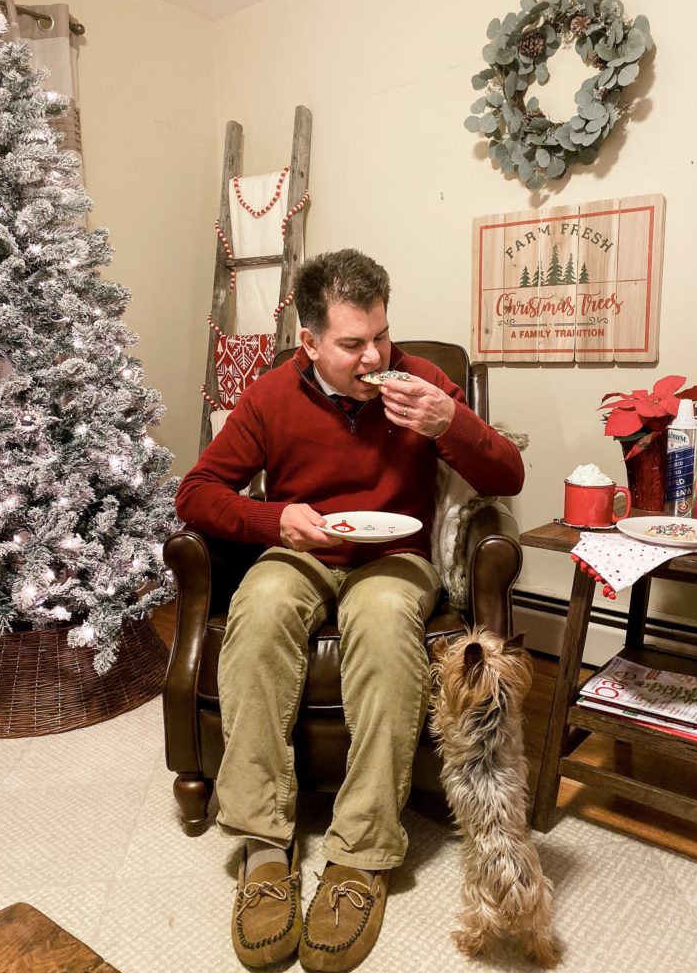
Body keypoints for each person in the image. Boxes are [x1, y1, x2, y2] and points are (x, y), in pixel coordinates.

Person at [175, 249, 524, 971]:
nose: (376, 357)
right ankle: (265, 846)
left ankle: (362, 853)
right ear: (309, 342)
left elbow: (506, 476)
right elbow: (197, 492)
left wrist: (449, 422)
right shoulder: (272, 396)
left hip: (396, 559)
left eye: (382, 338)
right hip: (303, 549)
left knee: (386, 619)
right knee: (262, 605)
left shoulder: (424, 385)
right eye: (353, 344)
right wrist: (276, 522)